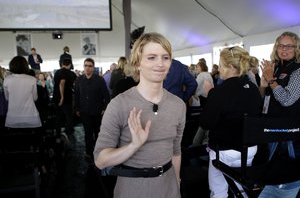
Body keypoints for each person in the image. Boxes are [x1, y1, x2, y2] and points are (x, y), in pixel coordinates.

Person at [94, 32, 186, 198]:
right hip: (133, 190)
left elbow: (175, 151)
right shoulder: (119, 105)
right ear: (137, 64)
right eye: (151, 57)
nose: (160, 63)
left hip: (169, 189)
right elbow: (100, 160)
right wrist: (133, 145)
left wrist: (177, 182)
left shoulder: (178, 105)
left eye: (165, 57)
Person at [199, 46, 262, 198]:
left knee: (219, 191)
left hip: (224, 151)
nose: (219, 69)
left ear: (230, 67)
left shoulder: (219, 92)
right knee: (241, 189)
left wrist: (210, 96)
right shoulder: (253, 88)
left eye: (220, 65)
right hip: (249, 149)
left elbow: (206, 123)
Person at [260, 31, 300, 159]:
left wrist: (271, 80)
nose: (284, 49)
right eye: (280, 45)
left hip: (288, 130)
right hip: (271, 124)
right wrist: (263, 85)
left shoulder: (297, 69)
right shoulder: (275, 67)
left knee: (287, 171)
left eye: (289, 46)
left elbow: (287, 100)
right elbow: (263, 97)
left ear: (297, 48)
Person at [75, 58, 110, 159]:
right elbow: (76, 95)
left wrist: (104, 108)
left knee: (98, 133)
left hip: (97, 111)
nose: (87, 68)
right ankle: (89, 152)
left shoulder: (99, 80)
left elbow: (106, 95)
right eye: (85, 65)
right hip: (84, 111)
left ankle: (98, 152)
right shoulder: (79, 80)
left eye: (90, 66)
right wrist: (77, 108)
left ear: (93, 68)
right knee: (87, 133)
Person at [3, 56, 41, 128]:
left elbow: (7, 98)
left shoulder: (7, 80)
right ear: (25, 66)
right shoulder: (32, 79)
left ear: (12, 65)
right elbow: (35, 98)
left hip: (13, 117)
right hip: (31, 117)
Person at [53, 58, 77, 136]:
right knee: (68, 116)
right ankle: (69, 132)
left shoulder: (56, 72)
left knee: (58, 116)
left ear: (62, 64)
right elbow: (62, 83)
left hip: (56, 97)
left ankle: (58, 133)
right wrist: (62, 97)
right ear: (70, 64)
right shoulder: (70, 73)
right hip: (66, 98)